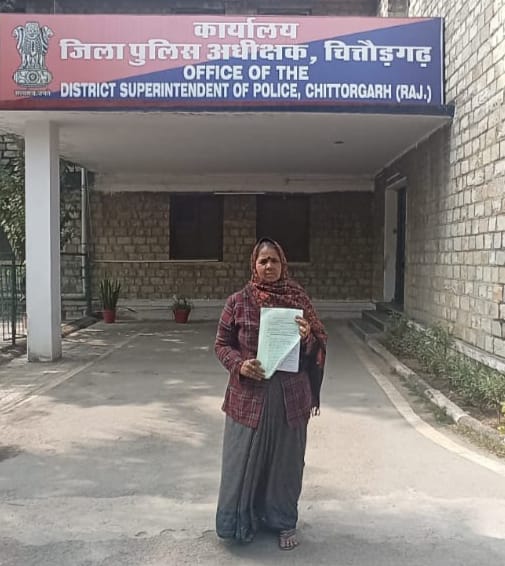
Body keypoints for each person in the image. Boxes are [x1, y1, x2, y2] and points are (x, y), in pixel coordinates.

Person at [214, 237, 327, 551]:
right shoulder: (238, 301)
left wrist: (307, 337)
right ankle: (240, 521)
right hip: (248, 394)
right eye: (263, 261)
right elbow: (221, 344)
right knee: (242, 459)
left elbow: (318, 343)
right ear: (254, 265)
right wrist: (239, 365)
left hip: (291, 396)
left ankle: (283, 521)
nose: (268, 266)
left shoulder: (298, 299)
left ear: (283, 264)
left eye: (274, 260)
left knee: (286, 462)